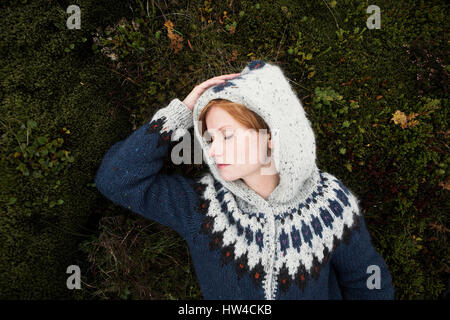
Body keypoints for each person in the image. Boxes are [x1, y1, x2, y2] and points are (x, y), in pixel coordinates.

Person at [95, 60, 395, 300]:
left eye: (227, 135)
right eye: (210, 138)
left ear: (271, 136)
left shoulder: (330, 203)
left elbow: (366, 282)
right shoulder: (201, 208)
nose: (214, 149)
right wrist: (181, 114)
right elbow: (116, 180)